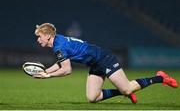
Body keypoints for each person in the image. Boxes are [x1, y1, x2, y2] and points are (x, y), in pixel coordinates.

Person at [33, 23, 178, 104]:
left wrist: (47, 76)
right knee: (92, 98)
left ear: (47, 36)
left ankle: (160, 78)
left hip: (104, 59)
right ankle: (123, 93)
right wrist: (46, 71)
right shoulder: (58, 41)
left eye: (39, 37)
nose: (38, 40)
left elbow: (67, 70)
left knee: (127, 88)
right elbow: (60, 63)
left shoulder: (59, 46)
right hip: (96, 64)